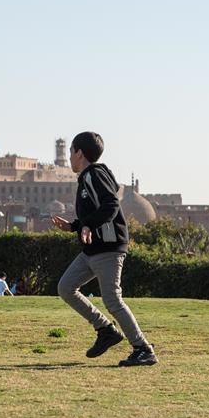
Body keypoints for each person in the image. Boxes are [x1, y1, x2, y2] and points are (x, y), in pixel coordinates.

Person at [51, 131, 157, 367]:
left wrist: (88, 225)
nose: (69, 157)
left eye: (71, 151)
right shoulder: (87, 178)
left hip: (108, 248)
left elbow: (110, 205)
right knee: (66, 287)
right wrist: (74, 226)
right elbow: (95, 212)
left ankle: (143, 348)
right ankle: (105, 329)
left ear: (79, 153)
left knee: (112, 299)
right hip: (92, 249)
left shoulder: (94, 174)